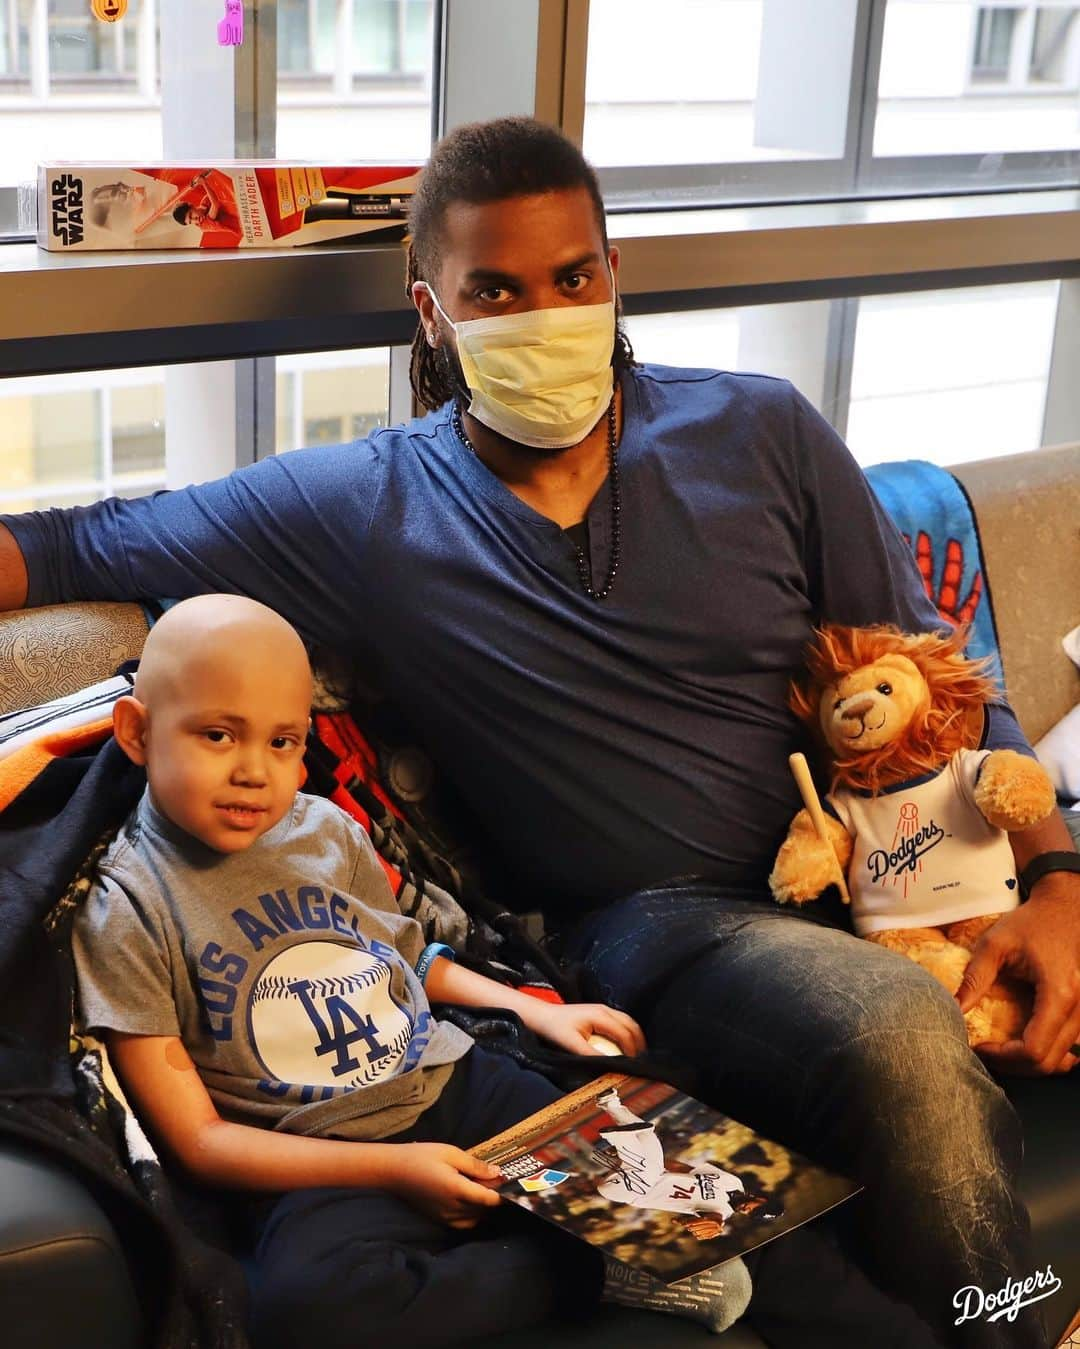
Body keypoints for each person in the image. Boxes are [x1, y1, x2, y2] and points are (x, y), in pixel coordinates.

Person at [2, 115, 1078, 1345]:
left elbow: (934, 664)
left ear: (613, 275)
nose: (546, 312)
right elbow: (67, 542)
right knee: (897, 1030)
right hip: (662, 922)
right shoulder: (363, 504)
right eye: (496, 290)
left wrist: (1053, 873)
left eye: (574, 278)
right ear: (431, 308)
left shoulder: (763, 429)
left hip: (896, 860)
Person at [73, 592, 699, 1348]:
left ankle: (630, 1246)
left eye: (283, 742)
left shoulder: (329, 830)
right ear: (137, 733)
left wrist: (536, 1011)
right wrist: (395, 1170)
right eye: (217, 734)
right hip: (324, 1153)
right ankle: (583, 1268)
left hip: (453, 1081)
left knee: (691, 1174)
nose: (254, 772)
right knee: (305, 1307)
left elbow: (406, 957)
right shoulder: (124, 904)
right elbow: (198, 1141)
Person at [594, 1087, 782, 1239]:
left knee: (648, 1169)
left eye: (754, 1215)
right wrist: (631, 1156)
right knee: (648, 1136)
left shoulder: (721, 1211)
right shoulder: (733, 1182)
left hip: (632, 1190)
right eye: (756, 1210)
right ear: (761, 1199)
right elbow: (681, 1168)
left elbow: (714, 1220)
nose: (749, 1212)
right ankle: (610, 1103)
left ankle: (618, 1139)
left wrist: (717, 1226)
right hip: (648, 1172)